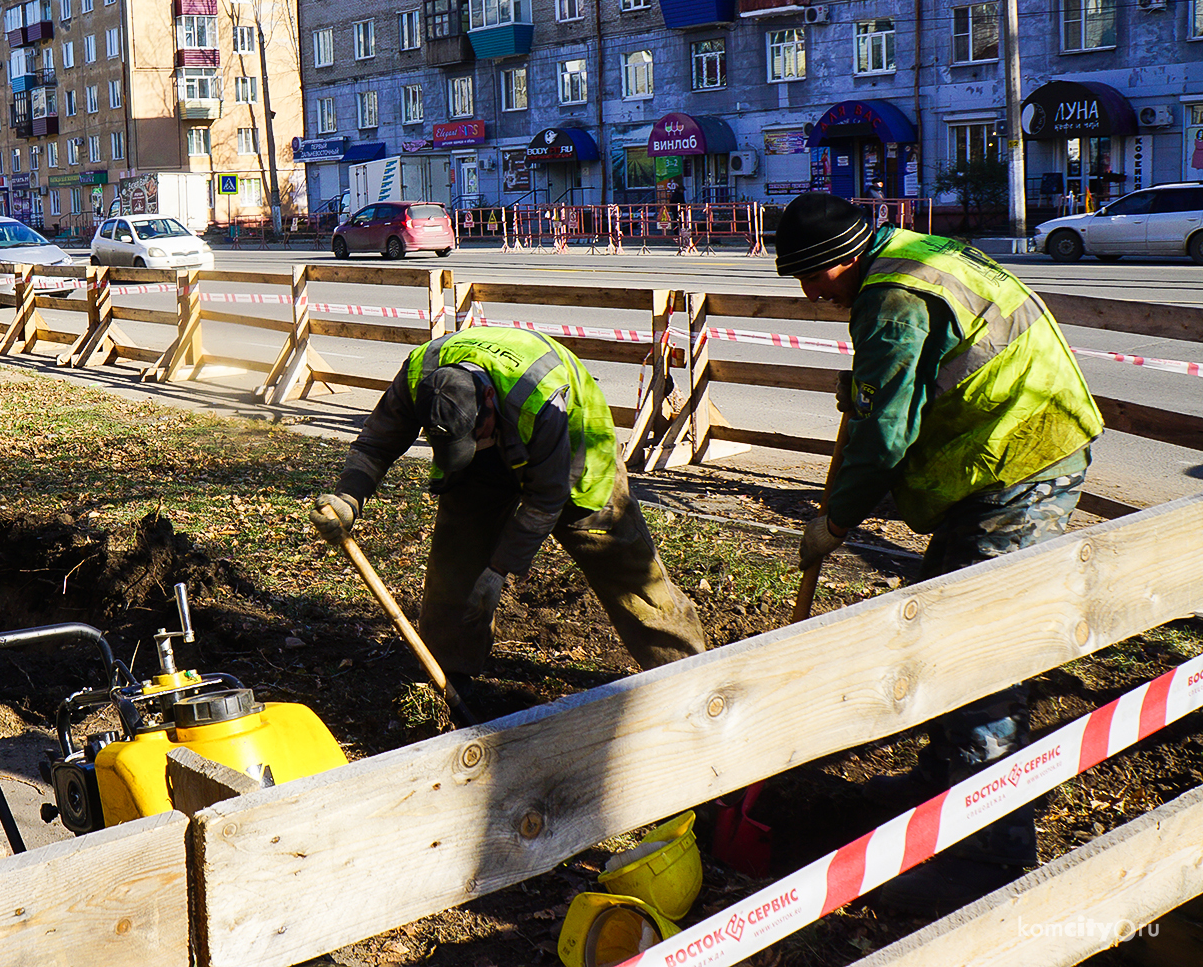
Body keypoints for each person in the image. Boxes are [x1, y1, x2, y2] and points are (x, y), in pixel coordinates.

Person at [773, 192, 1104, 911]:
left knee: (978, 650)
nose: (809, 294)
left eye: (813, 278)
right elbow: (919, 373)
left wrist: (834, 519)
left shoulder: (891, 298)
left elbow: (885, 435)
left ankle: (994, 854)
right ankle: (941, 784)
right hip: (1009, 442)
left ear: (844, 260)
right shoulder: (913, 253)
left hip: (1019, 457)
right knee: (945, 616)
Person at [309, 327, 708, 717]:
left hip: (575, 455)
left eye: (474, 435)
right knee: (456, 567)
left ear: (486, 397)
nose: (476, 445)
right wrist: (348, 499)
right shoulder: (419, 376)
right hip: (490, 459)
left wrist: (498, 568)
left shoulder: (540, 397)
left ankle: (691, 678)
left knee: (629, 572)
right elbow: (376, 443)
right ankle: (448, 680)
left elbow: (545, 499)